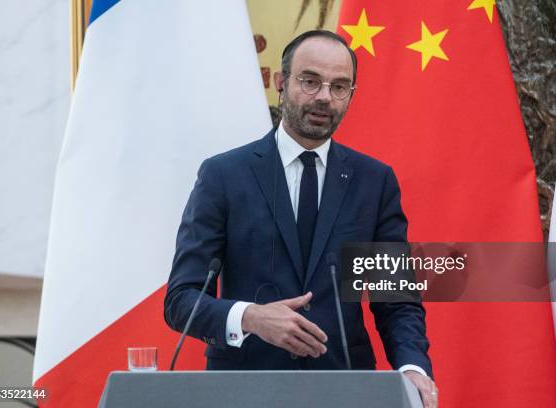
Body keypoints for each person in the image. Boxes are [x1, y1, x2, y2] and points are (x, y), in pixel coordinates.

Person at [164, 30, 438, 408]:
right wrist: (251, 317)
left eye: (339, 86)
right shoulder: (224, 176)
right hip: (243, 392)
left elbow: (396, 301)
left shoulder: (374, 182)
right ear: (281, 83)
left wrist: (412, 368)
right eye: (310, 81)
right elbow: (181, 300)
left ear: (351, 95)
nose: (324, 96)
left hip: (348, 391)